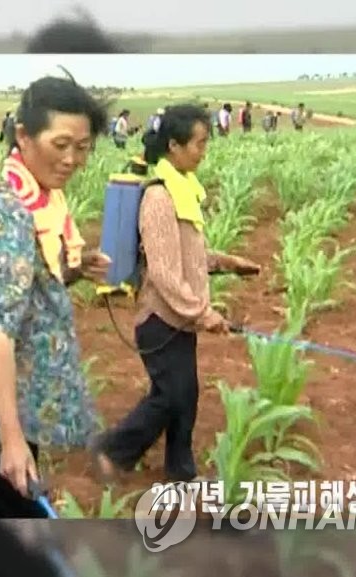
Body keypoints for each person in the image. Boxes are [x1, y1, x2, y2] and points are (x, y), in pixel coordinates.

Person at [0, 74, 111, 519]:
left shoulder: (37, 202)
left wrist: (72, 270)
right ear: (23, 135)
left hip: (6, 409)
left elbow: (23, 292)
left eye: (83, 147)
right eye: (61, 145)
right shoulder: (6, 213)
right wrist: (12, 443)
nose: (73, 159)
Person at [89, 104, 260, 484]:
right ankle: (112, 450)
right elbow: (165, 274)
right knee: (170, 396)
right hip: (160, 319)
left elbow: (189, 256)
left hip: (178, 320)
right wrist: (204, 313)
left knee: (186, 395)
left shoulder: (183, 191)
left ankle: (181, 473)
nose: (204, 150)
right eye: (199, 143)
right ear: (174, 145)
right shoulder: (160, 200)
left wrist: (229, 262)